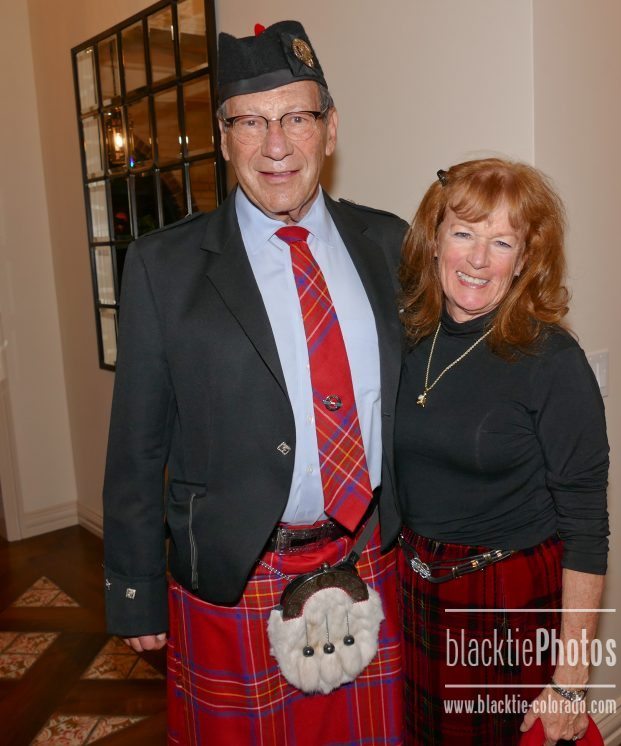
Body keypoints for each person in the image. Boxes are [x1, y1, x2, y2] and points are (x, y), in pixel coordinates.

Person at [102, 20, 407, 745]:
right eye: (251, 121)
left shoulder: (392, 245)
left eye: (297, 117)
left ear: (329, 130)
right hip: (238, 577)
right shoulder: (162, 268)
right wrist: (135, 590)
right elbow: (137, 448)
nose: (276, 145)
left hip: (372, 559)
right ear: (224, 134)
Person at [394, 158, 609, 745]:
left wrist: (570, 679)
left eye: (502, 241)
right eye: (463, 232)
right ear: (434, 240)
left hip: (505, 603)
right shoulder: (407, 337)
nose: (479, 259)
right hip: (412, 587)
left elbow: (587, 528)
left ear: (524, 261)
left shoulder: (553, 362)